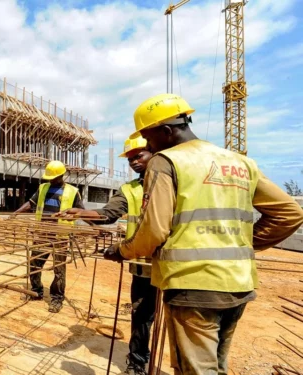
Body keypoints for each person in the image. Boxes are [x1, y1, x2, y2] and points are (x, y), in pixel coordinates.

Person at [102, 93, 303, 375]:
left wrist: (121, 251)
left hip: (193, 286)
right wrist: (239, 245)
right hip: (238, 282)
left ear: (167, 131)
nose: (148, 146)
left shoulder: (166, 161)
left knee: (197, 370)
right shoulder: (241, 162)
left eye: (148, 138)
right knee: (216, 367)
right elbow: (290, 213)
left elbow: (154, 230)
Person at [64, 136, 154, 375]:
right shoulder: (131, 189)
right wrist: (83, 213)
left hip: (178, 264)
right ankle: (137, 363)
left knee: (179, 320)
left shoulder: (177, 182)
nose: (134, 161)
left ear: (154, 152)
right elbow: (109, 213)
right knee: (142, 315)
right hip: (143, 263)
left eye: (139, 155)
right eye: (130, 158)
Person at [12, 160, 84, 313]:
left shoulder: (72, 191)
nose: (51, 179)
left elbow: (81, 211)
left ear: (62, 175)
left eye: (54, 177)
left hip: (61, 236)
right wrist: (16, 213)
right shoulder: (43, 188)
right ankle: (36, 290)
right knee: (34, 264)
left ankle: (57, 298)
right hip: (42, 233)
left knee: (59, 269)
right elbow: (31, 203)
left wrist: (95, 226)